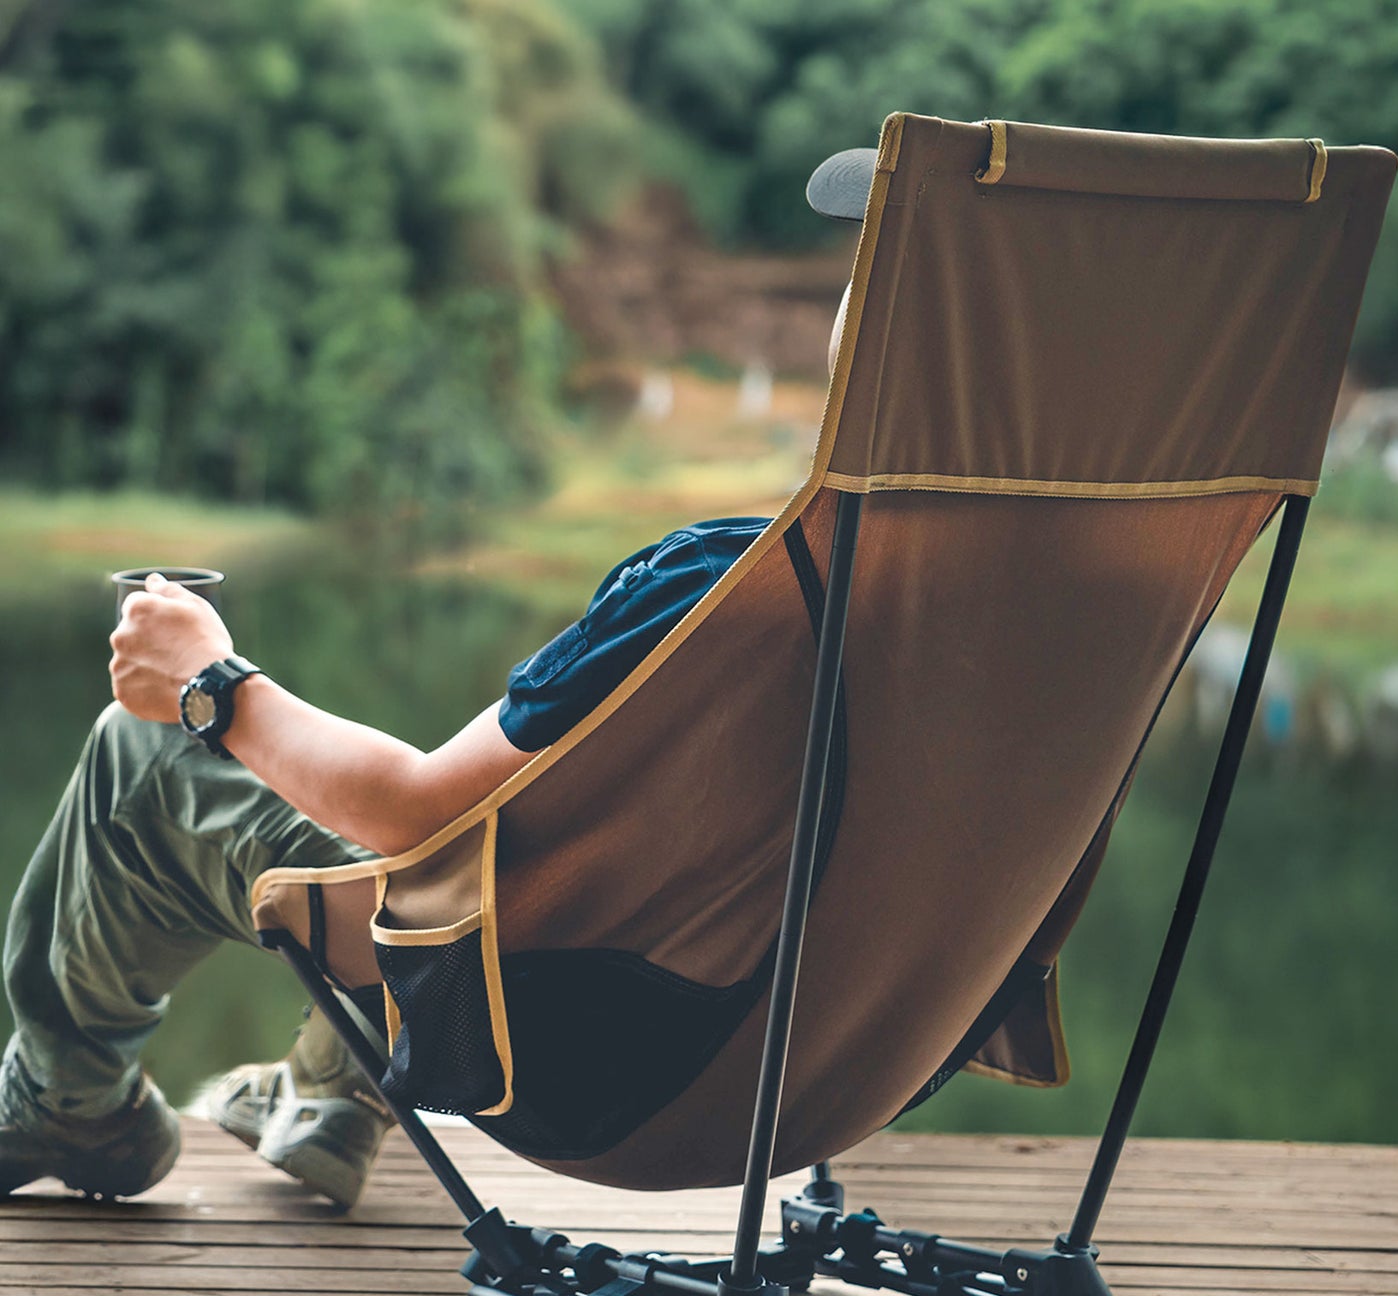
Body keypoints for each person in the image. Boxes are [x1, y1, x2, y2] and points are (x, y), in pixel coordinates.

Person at [0, 154, 867, 1211]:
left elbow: (411, 817)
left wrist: (207, 682)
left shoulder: (735, 584)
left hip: (579, 1059)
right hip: (833, 1068)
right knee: (478, 784)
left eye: (874, 271)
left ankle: (69, 1100)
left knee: (142, 751)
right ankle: (329, 1083)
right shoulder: (1027, 625)